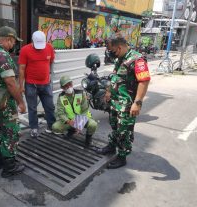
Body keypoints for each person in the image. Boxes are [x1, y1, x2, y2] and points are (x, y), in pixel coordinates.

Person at [97, 37, 151, 169]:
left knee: (124, 131)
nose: (111, 54)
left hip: (127, 104)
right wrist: (109, 92)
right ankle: (112, 146)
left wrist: (137, 102)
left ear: (119, 48)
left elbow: (144, 81)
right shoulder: (120, 58)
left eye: (112, 51)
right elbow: (115, 77)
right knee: (115, 126)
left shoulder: (137, 60)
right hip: (116, 102)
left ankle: (122, 156)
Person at [0, 26, 26, 178]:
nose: (14, 45)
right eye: (14, 41)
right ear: (8, 39)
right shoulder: (3, 55)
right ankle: (9, 166)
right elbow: (10, 83)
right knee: (10, 131)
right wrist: (21, 102)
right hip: (5, 102)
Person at [18, 31, 56, 137]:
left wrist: (50, 77)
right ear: (32, 41)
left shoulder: (49, 48)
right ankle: (34, 128)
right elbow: (21, 69)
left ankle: (52, 125)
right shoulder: (25, 50)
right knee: (32, 108)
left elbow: (51, 62)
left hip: (46, 84)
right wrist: (21, 86)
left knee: (50, 106)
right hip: (31, 85)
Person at [52, 76, 97, 147]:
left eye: (70, 84)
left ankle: (88, 138)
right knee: (55, 127)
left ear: (72, 84)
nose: (69, 87)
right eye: (66, 86)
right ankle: (72, 129)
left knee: (93, 124)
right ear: (62, 88)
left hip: (83, 118)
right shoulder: (61, 97)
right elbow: (60, 113)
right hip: (70, 121)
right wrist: (68, 121)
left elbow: (84, 110)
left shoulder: (81, 93)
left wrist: (79, 124)